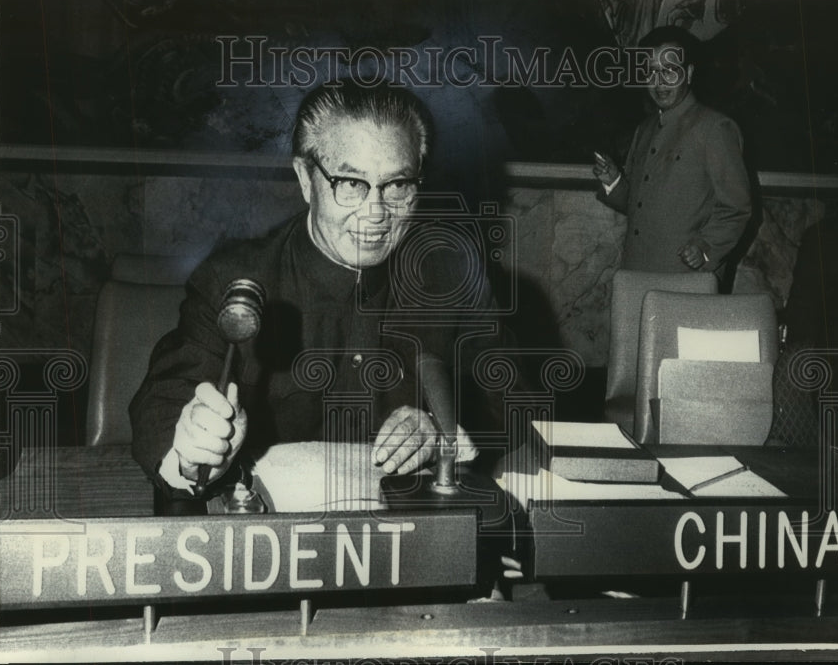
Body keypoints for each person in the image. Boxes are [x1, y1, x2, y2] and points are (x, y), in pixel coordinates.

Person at [130, 80, 505, 497]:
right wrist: (192, 450)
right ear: (306, 179)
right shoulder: (234, 279)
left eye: (398, 185)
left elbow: (511, 401)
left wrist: (444, 429)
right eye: (350, 183)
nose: (376, 213)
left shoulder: (452, 275)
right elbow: (163, 408)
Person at [593, 26, 751, 280]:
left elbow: (737, 208)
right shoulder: (644, 130)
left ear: (688, 74)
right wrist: (614, 182)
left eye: (670, 71)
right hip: (635, 275)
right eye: (652, 72)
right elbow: (641, 206)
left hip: (686, 279)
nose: (660, 82)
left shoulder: (715, 128)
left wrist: (705, 248)